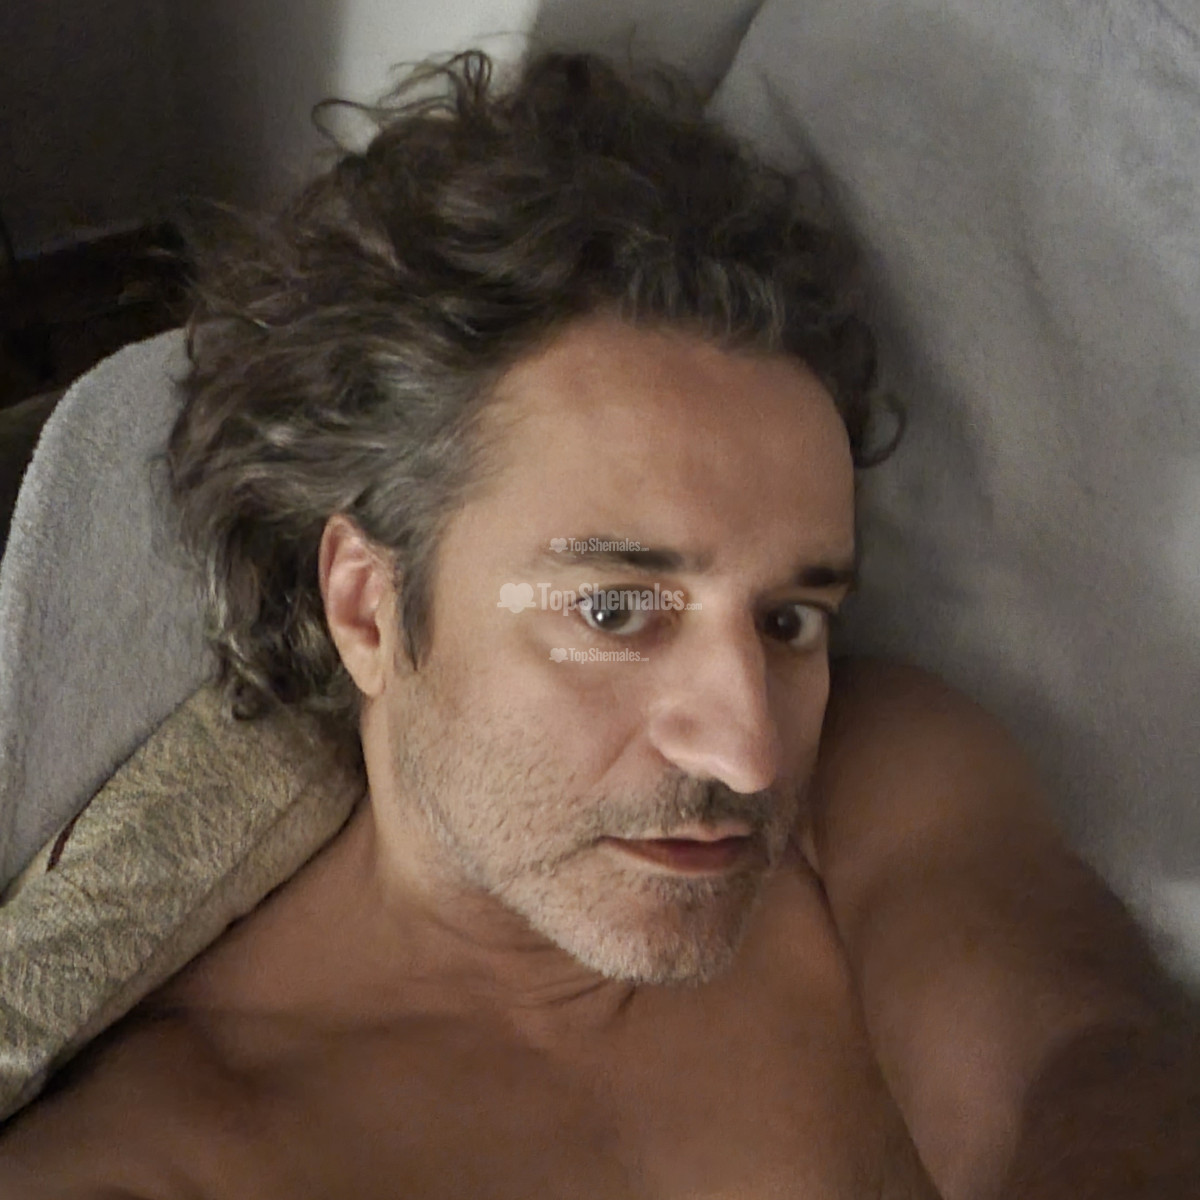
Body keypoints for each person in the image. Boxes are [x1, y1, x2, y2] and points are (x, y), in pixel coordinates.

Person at [0, 49, 1196, 1200]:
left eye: (789, 618)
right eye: (618, 609)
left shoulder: (866, 790)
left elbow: (1079, 1058)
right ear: (368, 606)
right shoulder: (173, 1155)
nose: (751, 753)